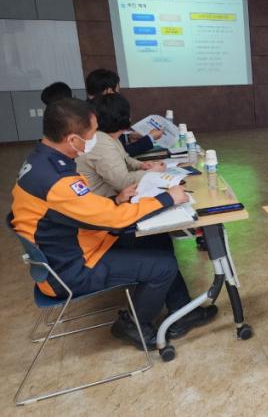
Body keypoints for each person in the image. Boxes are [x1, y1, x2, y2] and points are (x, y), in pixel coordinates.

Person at [10, 98, 216, 349]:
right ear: (73, 139)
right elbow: (114, 220)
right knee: (163, 267)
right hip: (71, 269)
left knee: (157, 238)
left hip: (74, 247)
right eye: (92, 134)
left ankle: (181, 310)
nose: (95, 139)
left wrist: (115, 200)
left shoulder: (41, 160)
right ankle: (134, 325)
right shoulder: (56, 180)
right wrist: (167, 198)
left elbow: (79, 208)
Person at [77, 93, 165, 197]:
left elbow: (125, 158)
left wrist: (141, 165)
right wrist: (152, 172)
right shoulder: (100, 142)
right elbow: (122, 183)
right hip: (103, 200)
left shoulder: (109, 136)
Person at [85, 68, 161, 157]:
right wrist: (150, 138)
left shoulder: (85, 110)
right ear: (109, 91)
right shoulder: (96, 116)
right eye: (117, 91)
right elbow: (118, 153)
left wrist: (128, 137)